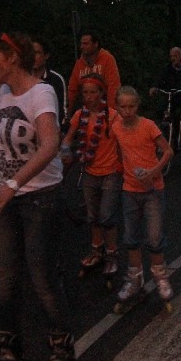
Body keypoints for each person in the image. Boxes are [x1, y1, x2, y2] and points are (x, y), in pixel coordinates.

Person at [0, 32, 75, 361]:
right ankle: (11, 354)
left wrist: (12, 186)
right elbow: (2, 152)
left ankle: (62, 351)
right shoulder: (2, 94)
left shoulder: (41, 93)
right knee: (6, 281)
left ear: (13, 58)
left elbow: (50, 145)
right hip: (7, 197)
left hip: (40, 198)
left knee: (43, 279)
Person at [111, 85, 174, 308]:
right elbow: (119, 152)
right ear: (117, 107)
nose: (127, 111)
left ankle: (160, 276)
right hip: (130, 190)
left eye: (131, 106)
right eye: (123, 107)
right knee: (131, 236)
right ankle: (135, 278)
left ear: (137, 106)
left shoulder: (148, 126)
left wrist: (154, 171)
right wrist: (122, 170)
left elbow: (167, 151)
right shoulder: (116, 127)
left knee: (155, 237)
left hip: (152, 190)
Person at [60, 74, 120, 282]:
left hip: (111, 172)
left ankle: (112, 254)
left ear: (102, 93)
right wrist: (65, 150)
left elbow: (124, 140)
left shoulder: (113, 116)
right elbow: (68, 138)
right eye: (85, 92)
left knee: (107, 216)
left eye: (93, 92)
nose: (88, 96)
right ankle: (96, 250)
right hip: (89, 172)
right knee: (93, 215)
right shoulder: (80, 115)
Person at [150, 47, 181, 164]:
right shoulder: (168, 67)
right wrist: (155, 87)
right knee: (162, 113)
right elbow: (160, 77)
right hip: (172, 98)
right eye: (171, 56)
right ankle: (164, 140)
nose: (173, 58)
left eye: (175, 56)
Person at [66, 29, 121, 112]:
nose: (81, 47)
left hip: (104, 107)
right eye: (81, 43)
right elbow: (72, 90)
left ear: (95, 44)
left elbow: (113, 88)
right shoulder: (79, 63)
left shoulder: (107, 59)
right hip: (84, 108)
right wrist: (67, 112)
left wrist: (111, 112)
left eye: (85, 44)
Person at [33, 37, 67, 128]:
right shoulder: (22, 79)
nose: (33, 57)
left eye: (37, 53)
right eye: (30, 53)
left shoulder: (56, 80)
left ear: (46, 55)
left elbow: (62, 111)